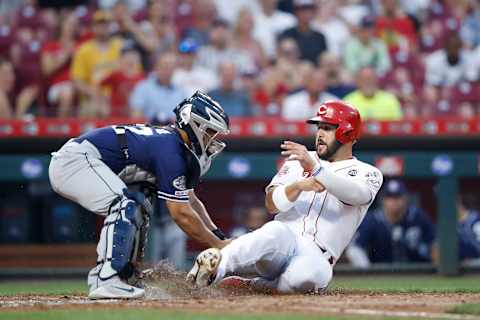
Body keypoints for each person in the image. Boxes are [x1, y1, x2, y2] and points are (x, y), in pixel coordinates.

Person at [187, 101, 383, 294]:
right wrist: (297, 186)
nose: (320, 134)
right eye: (319, 128)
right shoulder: (300, 159)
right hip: (283, 242)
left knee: (304, 279)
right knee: (274, 230)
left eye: (328, 128)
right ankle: (214, 269)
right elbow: (272, 205)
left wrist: (315, 169)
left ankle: (255, 286)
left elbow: (357, 195)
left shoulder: (368, 172)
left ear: (347, 133)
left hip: (318, 256)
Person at [49, 91, 231, 299]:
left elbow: (190, 200)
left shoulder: (172, 146)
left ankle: (127, 277)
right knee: (124, 204)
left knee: (138, 206)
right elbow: (181, 214)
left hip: (82, 160)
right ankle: (107, 279)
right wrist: (216, 245)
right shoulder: (171, 151)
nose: (212, 140)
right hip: (74, 161)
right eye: (210, 132)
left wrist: (220, 236)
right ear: (193, 125)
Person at [347, 179, 435, 267]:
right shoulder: (372, 220)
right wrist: (367, 271)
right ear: (383, 200)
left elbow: (434, 243)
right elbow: (355, 248)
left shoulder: (418, 216)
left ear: (406, 198)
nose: (394, 202)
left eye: (397, 197)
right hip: (381, 273)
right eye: (389, 197)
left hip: (417, 272)